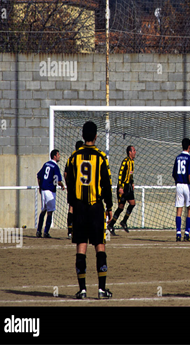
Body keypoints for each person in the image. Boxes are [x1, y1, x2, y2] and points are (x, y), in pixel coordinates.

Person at [65, 121, 113, 299]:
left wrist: (72, 207)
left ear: (83, 135)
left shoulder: (73, 157)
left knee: (81, 246)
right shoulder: (101, 157)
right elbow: (106, 185)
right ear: (95, 136)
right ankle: (101, 289)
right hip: (95, 208)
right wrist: (109, 207)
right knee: (100, 245)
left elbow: (70, 185)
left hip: (79, 208)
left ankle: (82, 289)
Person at [107, 146, 137, 235]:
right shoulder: (125, 161)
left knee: (132, 203)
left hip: (128, 187)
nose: (135, 152)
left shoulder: (132, 162)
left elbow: (130, 174)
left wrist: (132, 182)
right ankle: (111, 225)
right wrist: (120, 187)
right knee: (121, 207)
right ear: (129, 152)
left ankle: (123, 221)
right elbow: (120, 173)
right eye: (134, 150)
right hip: (123, 187)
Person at [36, 149, 65, 238]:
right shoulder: (55, 166)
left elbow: (39, 176)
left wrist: (40, 187)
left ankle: (38, 231)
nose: (59, 156)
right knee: (50, 212)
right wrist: (62, 185)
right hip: (50, 191)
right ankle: (46, 232)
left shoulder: (46, 164)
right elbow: (57, 180)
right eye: (58, 155)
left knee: (43, 210)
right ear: (55, 156)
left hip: (44, 190)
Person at [172, 138, 190, 242]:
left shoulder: (177, 158)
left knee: (179, 210)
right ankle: (186, 233)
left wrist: (178, 182)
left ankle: (178, 233)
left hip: (179, 185)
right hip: (187, 185)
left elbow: (173, 174)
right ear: (189, 146)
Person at [64, 140, 84, 238]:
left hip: (71, 187)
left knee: (71, 208)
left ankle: (70, 231)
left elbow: (65, 173)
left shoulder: (70, 158)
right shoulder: (81, 158)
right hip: (80, 187)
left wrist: (68, 184)